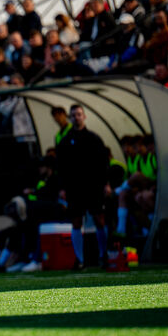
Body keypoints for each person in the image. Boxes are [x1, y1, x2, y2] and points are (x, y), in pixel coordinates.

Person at [56, 105, 110, 269]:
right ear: (70, 118)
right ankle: (79, 259)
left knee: (99, 220)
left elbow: (103, 163)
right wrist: (62, 188)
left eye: (79, 114)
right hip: (75, 188)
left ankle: (104, 255)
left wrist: (106, 184)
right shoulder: (65, 141)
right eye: (73, 115)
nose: (76, 117)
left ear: (84, 116)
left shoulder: (94, 138)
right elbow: (61, 166)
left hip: (93, 186)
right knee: (76, 222)